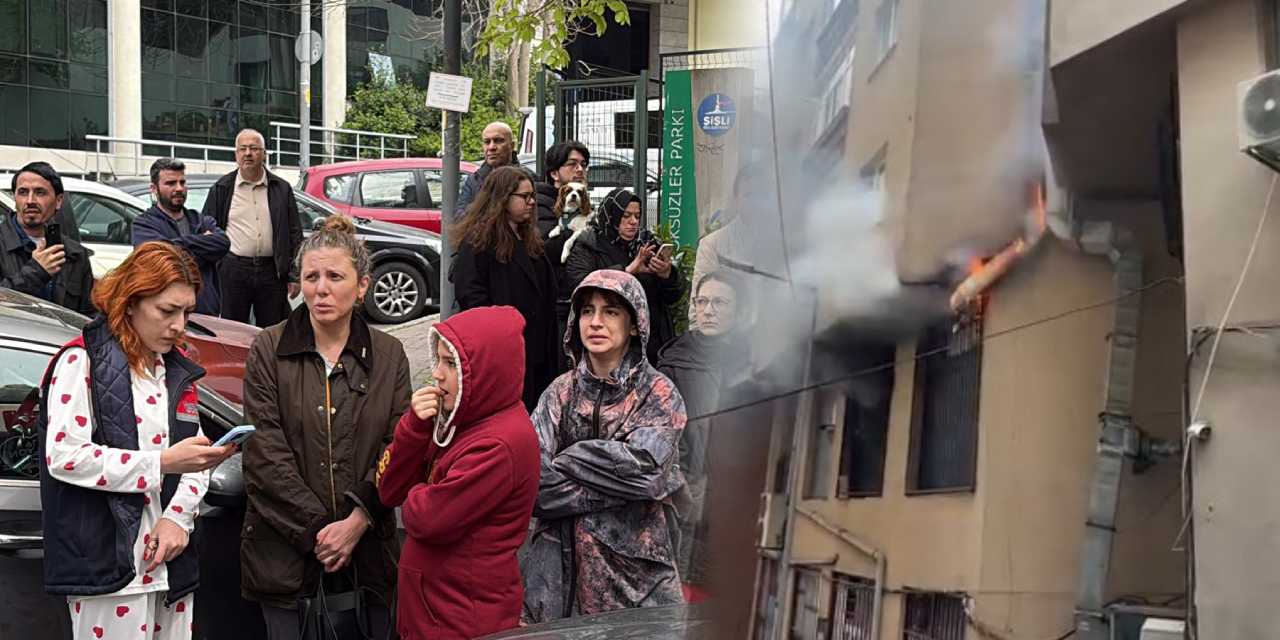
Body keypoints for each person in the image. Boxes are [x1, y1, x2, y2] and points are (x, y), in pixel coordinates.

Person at [39, 241, 236, 640]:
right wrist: (161, 463)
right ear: (129, 303)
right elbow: (64, 455)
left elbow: (192, 460)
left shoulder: (171, 369)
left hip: (170, 564)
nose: (180, 325)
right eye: (167, 311)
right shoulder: (82, 360)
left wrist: (178, 518)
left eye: (187, 312)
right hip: (109, 567)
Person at [240, 215, 410, 640]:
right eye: (311, 276)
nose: (321, 288)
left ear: (363, 285)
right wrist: (321, 531)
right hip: (284, 556)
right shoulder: (269, 347)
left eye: (335, 276)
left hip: (369, 554)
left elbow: (400, 447)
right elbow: (263, 452)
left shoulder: (389, 354)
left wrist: (357, 521)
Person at [521, 269, 687, 623]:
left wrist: (568, 458)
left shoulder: (658, 394)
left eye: (610, 311)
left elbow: (647, 475)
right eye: (587, 311)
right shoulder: (559, 393)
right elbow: (533, 486)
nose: (595, 322)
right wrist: (617, 483)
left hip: (638, 582)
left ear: (634, 324)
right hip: (558, 578)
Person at [377, 305, 540, 640]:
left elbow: (425, 519)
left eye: (451, 364)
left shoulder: (500, 443)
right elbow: (388, 491)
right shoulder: (463, 420)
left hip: (461, 620)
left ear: (485, 370)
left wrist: (419, 488)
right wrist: (413, 428)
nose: (437, 374)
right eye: (437, 360)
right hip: (435, 612)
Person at [656, 270, 750, 594]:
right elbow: (665, 433)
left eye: (719, 302)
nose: (708, 310)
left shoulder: (752, 359)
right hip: (689, 496)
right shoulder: (674, 362)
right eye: (702, 301)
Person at [451, 165, 559, 412]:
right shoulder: (479, 241)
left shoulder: (528, 237)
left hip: (537, 348)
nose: (532, 202)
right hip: (504, 352)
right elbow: (470, 295)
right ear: (502, 198)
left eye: (532, 196)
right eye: (524, 197)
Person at [565, 187, 686, 363]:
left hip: (649, 346)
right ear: (612, 216)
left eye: (637, 216)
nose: (633, 222)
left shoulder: (646, 243)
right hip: (607, 344)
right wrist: (628, 271)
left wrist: (666, 273)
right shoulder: (589, 244)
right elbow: (579, 284)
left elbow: (673, 296)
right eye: (626, 216)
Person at [202, 129, 303, 327]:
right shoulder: (222, 188)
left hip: (271, 272)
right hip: (233, 270)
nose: (248, 153)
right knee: (233, 329)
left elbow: (294, 233)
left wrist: (295, 275)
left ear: (264, 154)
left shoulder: (281, 188)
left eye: (254, 148)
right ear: (236, 155)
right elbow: (207, 231)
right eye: (243, 149)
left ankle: (267, 360)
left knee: (272, 330)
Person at [132, 158, 230, 316]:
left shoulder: (200, 219)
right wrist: (203, 243)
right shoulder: (143, 224)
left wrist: (172, 246)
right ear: (154, 188)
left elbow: (223, 243)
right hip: (166, 315)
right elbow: (157, 258)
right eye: (171, 183)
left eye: (182, 182)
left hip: (204, 314)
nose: (179, 188)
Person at [2, 161, 94, 314]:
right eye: (23, 192)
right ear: (15, 198)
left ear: (58, 201)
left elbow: (88, 316)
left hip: (61, 337)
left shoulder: (75, 254)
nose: (30, 201)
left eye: (40, 192)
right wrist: (37, 271)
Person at [535, 141, 590, 342]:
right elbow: (546, 249)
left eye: (583, 165)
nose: (580, 170)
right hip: (556, 301)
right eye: (572, 164)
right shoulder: (539, 203)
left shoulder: (584, 205)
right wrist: (579, 230)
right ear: (554, 174)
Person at [456, 121, 518, 217]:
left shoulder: (527, 179)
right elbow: (459, 217)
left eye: (498, 140)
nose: (491, 147)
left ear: (512, 145)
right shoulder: (474, 180)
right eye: (487, 142)